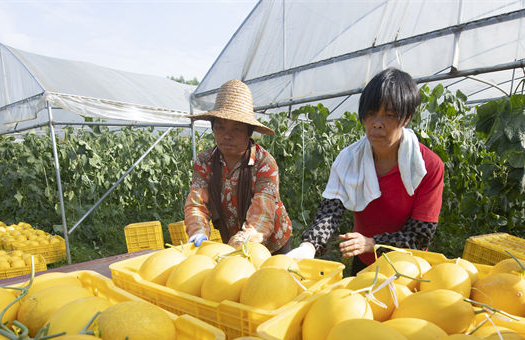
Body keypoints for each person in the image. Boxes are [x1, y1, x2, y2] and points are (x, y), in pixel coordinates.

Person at [286, 68, 444, 274]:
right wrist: (309, 246)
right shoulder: (349, 159)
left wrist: (373, 243)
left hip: (406, 266)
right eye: (370, 114)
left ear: (407, 117)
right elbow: (330, 211)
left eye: (389, 115)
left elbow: (419, 235)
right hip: (363, 259)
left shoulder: (428, 166)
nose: (376, 124)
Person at [184, 79, 292, 253]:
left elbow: (262, 214)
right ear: (213, 129)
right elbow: (197, 203)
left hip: (272, 242)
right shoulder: (205, 161)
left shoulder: (264, 163)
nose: (227, 136)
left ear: (249, 132)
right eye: (220, 127)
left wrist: (244, 239)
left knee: (272, 278)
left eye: (236, 129)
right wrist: (198, 230)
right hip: (233, 235)